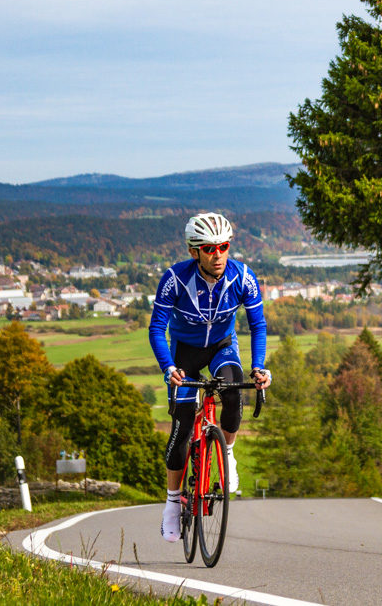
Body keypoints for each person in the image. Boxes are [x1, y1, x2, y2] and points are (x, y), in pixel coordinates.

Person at [149, 211, 271, 542]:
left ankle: (227, 454)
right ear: (194, 251)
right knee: (184, 426)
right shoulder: (174, 279)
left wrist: (258, 367)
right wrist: (168, 367)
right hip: (184, 355)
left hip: (221, 347)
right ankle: (173, 505)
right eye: (209, 248)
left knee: (233, 393)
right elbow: (157, 329)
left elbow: (257, 325)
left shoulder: (243, 277)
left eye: (223, 246)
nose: (217, 255)